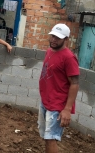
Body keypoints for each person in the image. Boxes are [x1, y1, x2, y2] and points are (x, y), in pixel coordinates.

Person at [38, 23, 79, 153]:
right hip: (46, 101)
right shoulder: (49, 51)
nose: (54, 40)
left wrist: (67, 109)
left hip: (57, 104)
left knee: (51, 139)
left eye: (58, 38)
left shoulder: (69, 58)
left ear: (66, 39)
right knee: (46, 136)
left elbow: (75, 83)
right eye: (52, 36)